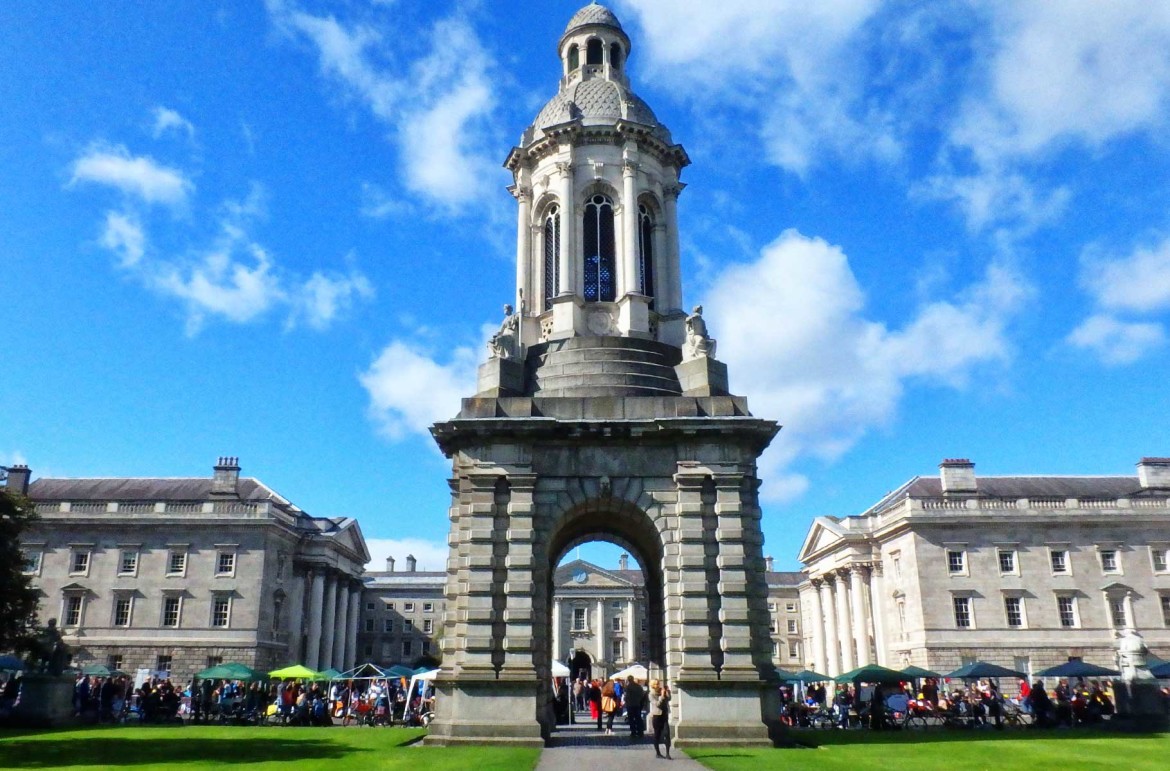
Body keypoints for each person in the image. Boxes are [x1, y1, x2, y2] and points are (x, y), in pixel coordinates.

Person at [649, 680, 672, 759]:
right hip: (657, 716)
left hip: (664, 715)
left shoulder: (662, 691)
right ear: (653, 685)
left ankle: (668, 753)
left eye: (658, 683)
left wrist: (667, 692)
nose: (658, 685)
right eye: (656, 684)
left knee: (667, 733)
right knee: (657, 735)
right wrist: (662, 696)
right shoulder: (651, 694)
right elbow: (657, 704)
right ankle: (658, 753)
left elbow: (669, 699)